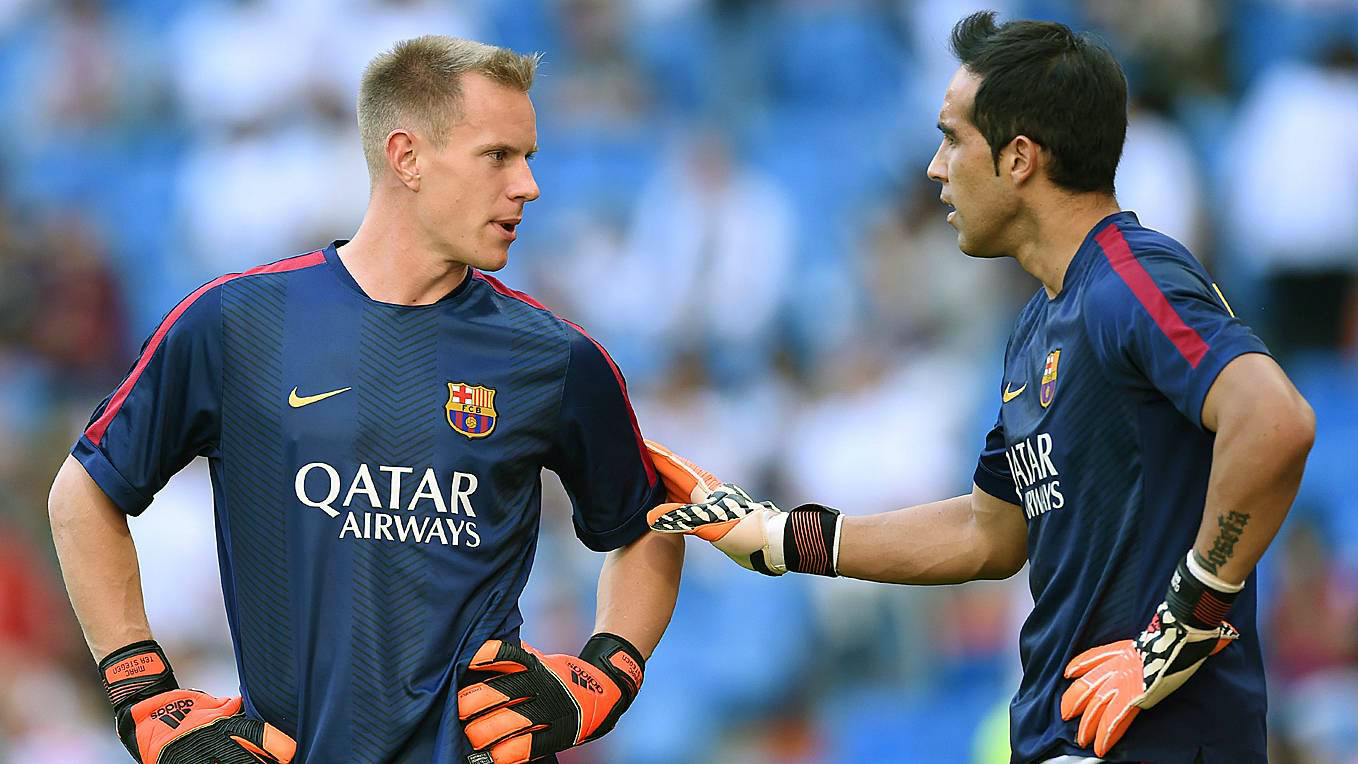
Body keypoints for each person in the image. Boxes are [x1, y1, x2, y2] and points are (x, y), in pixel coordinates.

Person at [649, 12, 1315, 764]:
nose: (936, 167)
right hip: (1066, 734)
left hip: (1153, 741)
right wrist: (778, 538)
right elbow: (987, 533)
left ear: (1020, 157)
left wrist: (1185, 621)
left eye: (953, 139)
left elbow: (1274, 420)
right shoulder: (1039, 323)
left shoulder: (1130, 280)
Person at [47, 36, 698, 764]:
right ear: (407, 157)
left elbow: (649, 523)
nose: (528, 185)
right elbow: (83, 495)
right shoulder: (236, 323)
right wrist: (143, 693)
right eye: (498, 156)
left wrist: (606, 672)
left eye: (529, 157)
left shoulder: (554, 356)